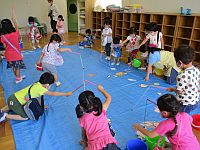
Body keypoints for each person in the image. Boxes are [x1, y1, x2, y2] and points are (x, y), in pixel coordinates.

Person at [133, 94, 200, 150]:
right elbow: (189, 121)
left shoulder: (166, 124)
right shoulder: (185, 115)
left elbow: (150, 135)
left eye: (159, 110)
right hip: (195, 146)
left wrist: (138, 127)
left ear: (164, 113)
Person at [0, 72, 73, 122]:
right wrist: (66, 94)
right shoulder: (41, 89)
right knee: (25, 117)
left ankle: (2, 110)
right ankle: (6, 116)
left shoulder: (37, 83)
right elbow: (53, 94)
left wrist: (42, 105)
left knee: (11, 105)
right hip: (16, 103)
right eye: (50, 85)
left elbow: (37, 97)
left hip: (12, 98)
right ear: (47, 85)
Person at [75, 85, 120, 150]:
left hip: (94, 146)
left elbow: (83, 134)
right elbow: (109, 97)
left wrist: (84, 144)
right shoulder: (101, 109)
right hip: (109, 142)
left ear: (81, 106)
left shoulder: (82, 119)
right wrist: (101, 89)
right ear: (95, 101)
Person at [167, 45, 200, 113]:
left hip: (185, 103)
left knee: (181, 116)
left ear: (180, 63)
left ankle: (183, 122)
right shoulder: (196, 70)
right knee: (186, 115)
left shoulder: (181, 76)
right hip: (196, 101)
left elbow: (179, 91)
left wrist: (172, 89)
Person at [0, 15, 26, 84]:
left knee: (14, 67)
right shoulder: (15, 34)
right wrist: (15, 21)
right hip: (16, 54)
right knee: (17, 67)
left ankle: (18, 77)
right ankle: (18, 79)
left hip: (8, 55)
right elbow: (17, 29)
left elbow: (5, 46)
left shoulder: (2, 37)